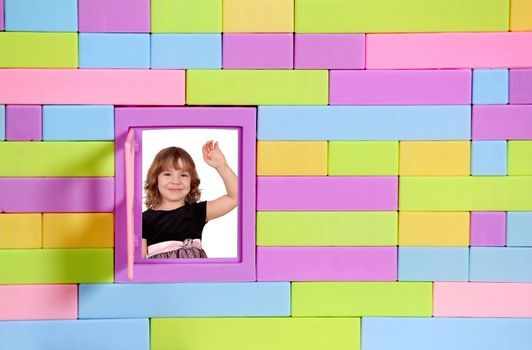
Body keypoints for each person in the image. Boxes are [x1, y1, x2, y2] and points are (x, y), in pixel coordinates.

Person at [142, 140, 237, 259]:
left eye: (183, 175)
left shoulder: (197, 212)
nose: (176, 181)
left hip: (197, 277)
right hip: (161, 277)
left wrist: (221, 166)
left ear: (191, 182)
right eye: (167, 174)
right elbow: (139, 265)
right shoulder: (144, 220)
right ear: (155, 179)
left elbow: (235, 197)